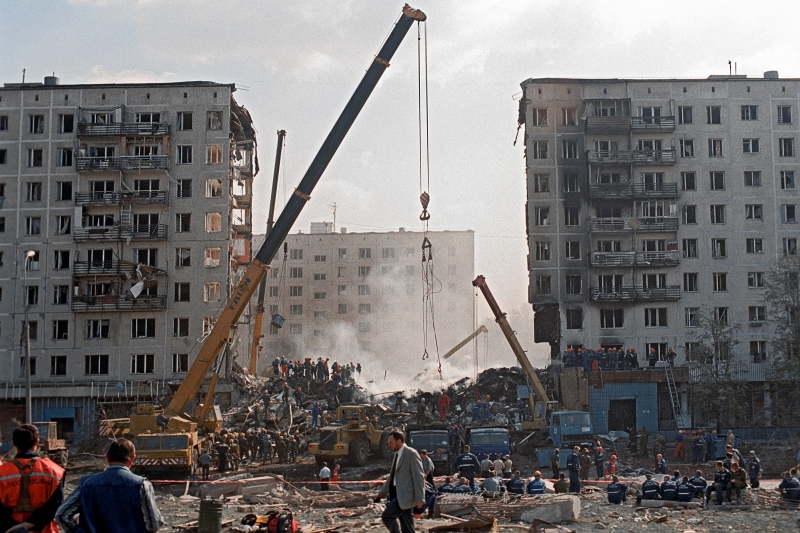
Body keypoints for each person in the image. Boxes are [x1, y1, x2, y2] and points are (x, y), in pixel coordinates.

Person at [55, 439, 164, 533]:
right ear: (132, 459)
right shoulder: (142, 485)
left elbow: (62, 515)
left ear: (107, 457)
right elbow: (154, 524)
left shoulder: (86, 484)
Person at [0, 424, 64, 533]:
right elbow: (56, 505)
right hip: (45, 530)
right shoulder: (54, 470)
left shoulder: (2, 472)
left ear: (13, 444)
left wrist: (17, 529)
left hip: (9, 530)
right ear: (37, 442)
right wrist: (31, 524)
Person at [375, 430, 425, 533]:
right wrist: (381, 494)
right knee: (407, 527)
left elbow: (419, 476)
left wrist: (420, 497)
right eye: (388, 443)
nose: (389, 445)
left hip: (406, 496)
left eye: (391, 442)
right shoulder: (397, 454)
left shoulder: (411, 454)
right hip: (398, 494)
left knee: (387, 516)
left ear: (399, 441)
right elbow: (392, 476)